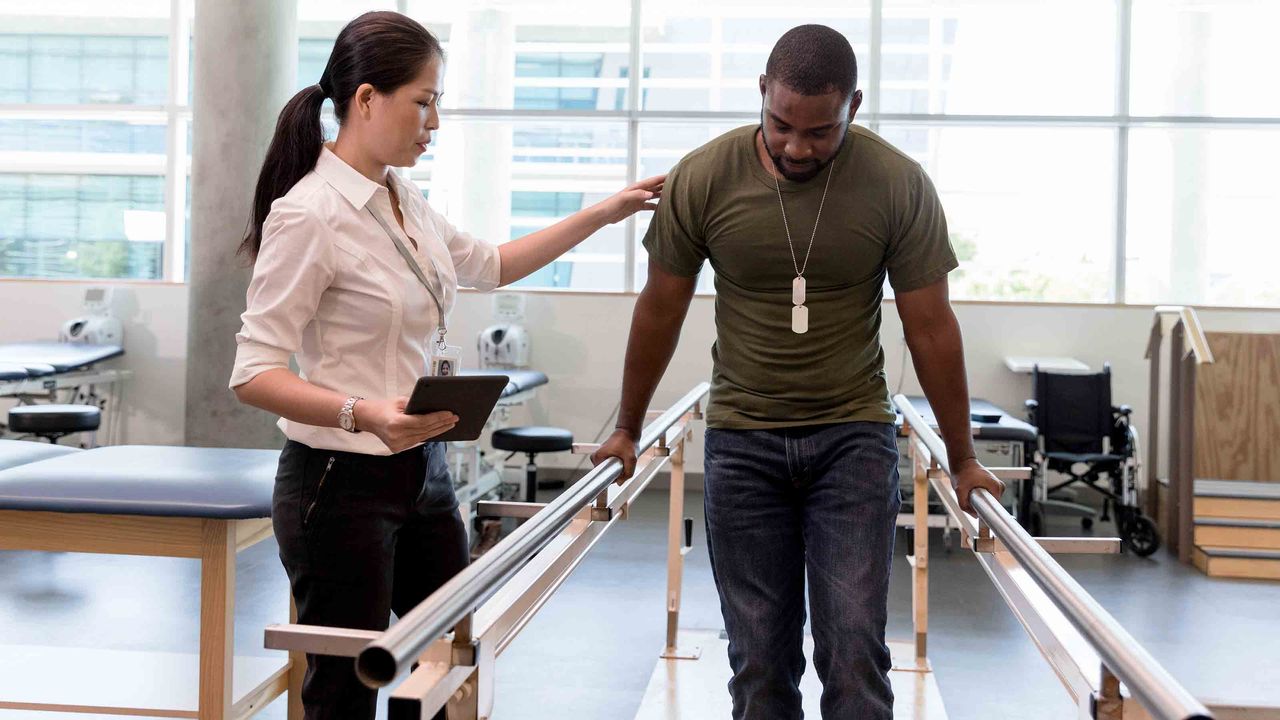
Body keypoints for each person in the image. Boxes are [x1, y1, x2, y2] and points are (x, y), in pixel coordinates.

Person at [228, 11, 662, 719]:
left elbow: (492, 264)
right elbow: (252, 372)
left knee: (454, 658)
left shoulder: (406, 201)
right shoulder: (309, 215)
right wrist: (361, 412)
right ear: (366, 100)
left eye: (439, 103)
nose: (434, 120)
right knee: (343, 692)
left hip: (422, 472)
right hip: (338, 483)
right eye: (423, 101)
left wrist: (606, 213)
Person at [592, 24, 1002, 720]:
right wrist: (626, 428)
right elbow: (660, 307)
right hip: (743, 440)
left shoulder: (896, 182)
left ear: (855, 106)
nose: (797, 147)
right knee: (757, 662)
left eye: (822, 132)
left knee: (852, 653)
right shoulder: (705, 176)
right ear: (761, 92)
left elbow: (931, 326)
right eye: (782, 125)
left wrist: (962, 459)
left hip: (852, 438)